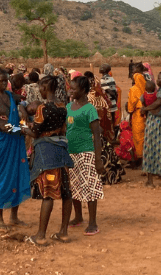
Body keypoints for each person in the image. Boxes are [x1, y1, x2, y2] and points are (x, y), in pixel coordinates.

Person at [23, 75, 73, 245]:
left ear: (45, 88)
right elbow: (62, 129)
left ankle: (41, 236)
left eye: (41, 89)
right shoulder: (63, 106)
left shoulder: (42, 109)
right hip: (62, 152)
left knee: (48, 194)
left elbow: (35, 133)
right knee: (66, 192)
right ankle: (64, 232)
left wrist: (24, 128)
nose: (40, 92)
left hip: (47, 154)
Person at [0, 70, 30, 232]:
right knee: (2, 177)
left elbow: (22, 111)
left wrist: (24, 122)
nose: (4, 83)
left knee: (17, 175)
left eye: (6, 80)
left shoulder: (11, 96)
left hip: (16, 140)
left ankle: (14, 216)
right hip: (1, 142)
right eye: (1, 80)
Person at [66, 76, 106, 236]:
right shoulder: (69, 106)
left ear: (83, 90)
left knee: (90, 187)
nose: (70, 90)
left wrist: (98, 159)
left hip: (87, 152)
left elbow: (97, 135)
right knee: (73, 186)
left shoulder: (90, 109)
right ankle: (78, 217)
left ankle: (93, 222)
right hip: (71, 152)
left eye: (73, 89)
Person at [140, 71, 161, 188]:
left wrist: (145, 108)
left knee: (150, 149)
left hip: (156, 123)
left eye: (159, 78)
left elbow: (158, 103)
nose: (157, 80)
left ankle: (150, 181)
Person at [126, 62, 147, 164]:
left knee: (138, 136)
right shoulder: (145, 89)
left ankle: (140, 157)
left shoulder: (134, 89)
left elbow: (131, 106)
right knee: (143, 136)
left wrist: (130, 113)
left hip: (137, 114)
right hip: (144, 113)